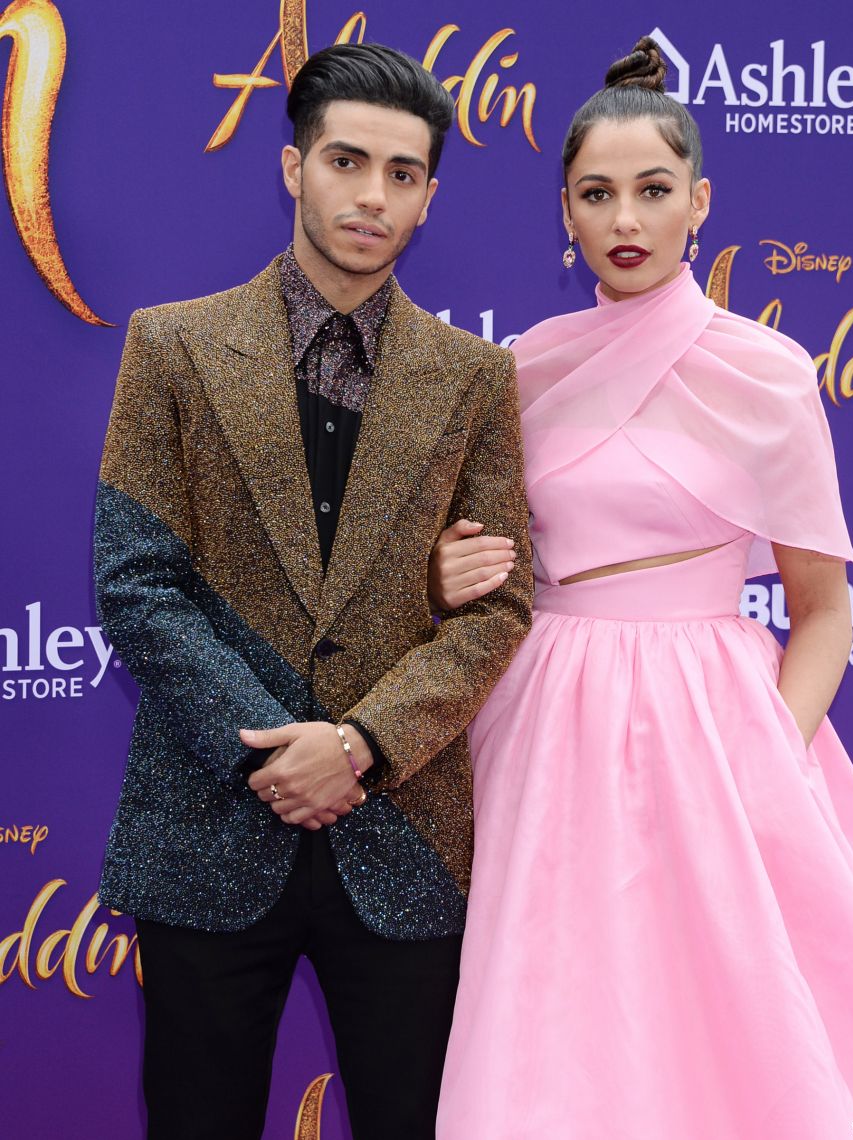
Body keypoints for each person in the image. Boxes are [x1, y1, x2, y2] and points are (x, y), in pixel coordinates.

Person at [431, 37, 853, 1140]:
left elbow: (821, 610)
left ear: (698, 204)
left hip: (714, 720)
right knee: (554, 1019)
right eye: (596, 195)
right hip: (541, 718)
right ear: (563, 212)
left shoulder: (768, 373)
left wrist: (769, 744)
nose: (624, 221)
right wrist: (446, 574)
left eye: (651, 192)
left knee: (731, 1019)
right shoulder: (517, 368)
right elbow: (482, 566)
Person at [94, 43, 533, 1140]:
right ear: (294, 167)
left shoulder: (475, 379)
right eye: (346, 161)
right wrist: (270, 750)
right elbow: (137, 578)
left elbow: (497, 607)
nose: (370, 196)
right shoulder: (172, 347)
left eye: (401, 174)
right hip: (207, 825)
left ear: (429, 197)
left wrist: (359, 747)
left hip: (403, 835)